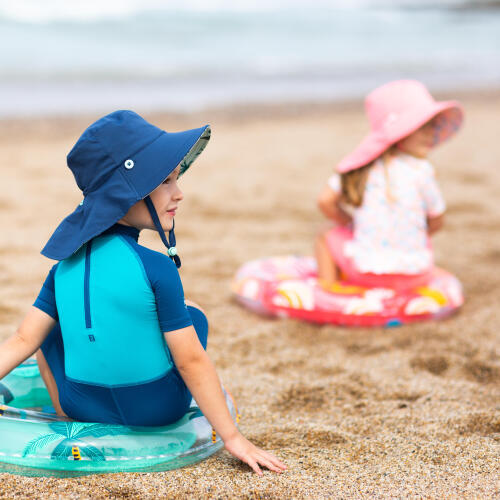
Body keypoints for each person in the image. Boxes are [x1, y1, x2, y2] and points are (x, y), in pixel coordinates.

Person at [0, 110, 286, 476]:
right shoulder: (155, 266)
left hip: (80, 406)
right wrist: (233, 438)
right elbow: (191, 361)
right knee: (192, 313)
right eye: (165, 181)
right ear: (125, 193)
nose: (178, 193)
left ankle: (61, 415)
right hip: (157, 409)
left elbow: (22, 339)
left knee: (45, 332)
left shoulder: (63, 266)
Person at [315, 80, 463, 290]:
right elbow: (437, 221)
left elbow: (325, 201)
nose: (431, 132)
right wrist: (410, 235)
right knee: (421, 239)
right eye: (422, 126)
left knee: (325, 235)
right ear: (401, 132)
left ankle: (328, 290)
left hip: (365, 275)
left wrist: (350, 223)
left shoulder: (360, 167)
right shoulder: (422, 171)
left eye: (432, 125)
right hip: (416, 276)